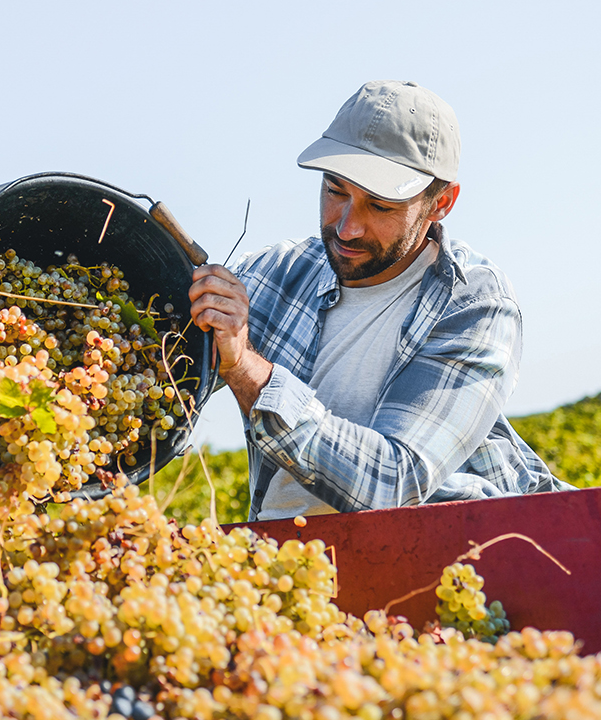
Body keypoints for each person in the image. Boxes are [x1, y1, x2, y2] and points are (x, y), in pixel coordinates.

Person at [188, 80, 571, 521]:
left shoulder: (473, 304)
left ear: (440, 203)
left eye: (381, 206)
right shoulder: (278, 275)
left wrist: (247, 369)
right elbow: (154, 363)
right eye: (335, 191)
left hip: (452, 558)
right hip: (293, 562)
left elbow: (393, 483)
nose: (348, 227)